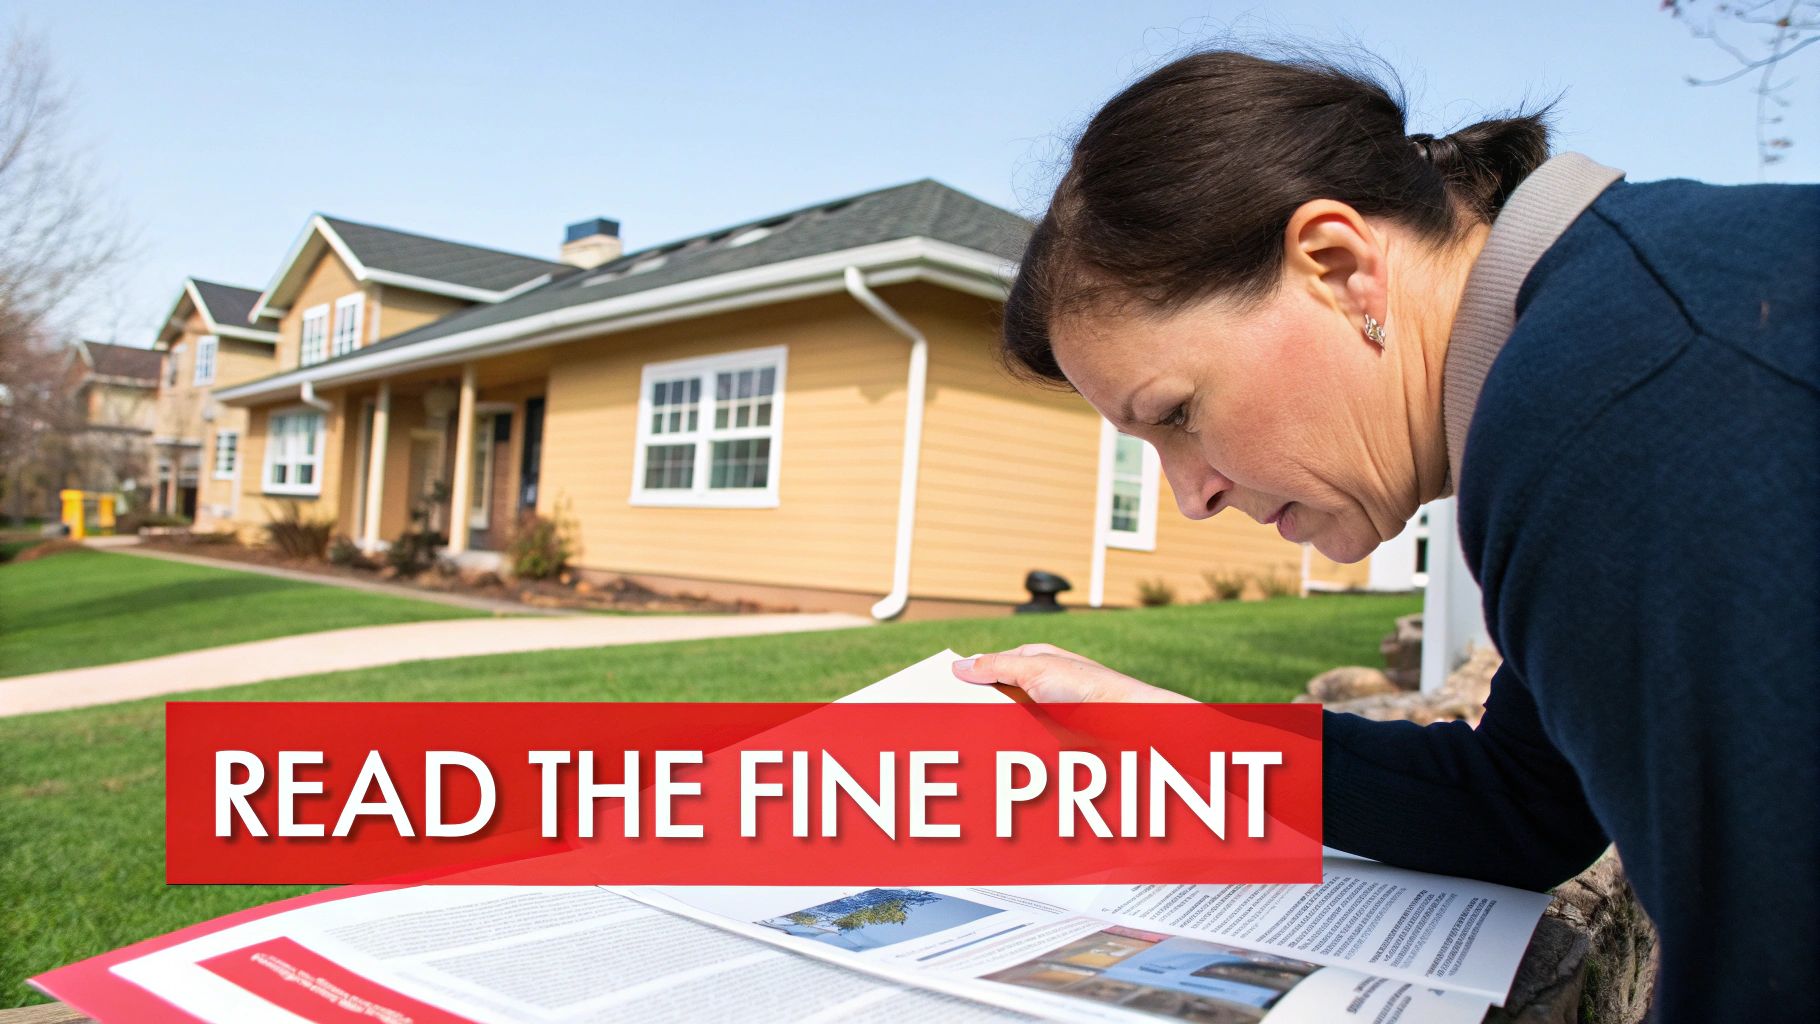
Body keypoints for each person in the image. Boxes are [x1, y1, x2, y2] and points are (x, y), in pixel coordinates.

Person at [952, 49, 1818, 1021]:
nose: (1188, 497)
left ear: (1337, 268)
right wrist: (1161, 727)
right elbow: (1519, 807)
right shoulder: (1591, 346)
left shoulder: (1610, 412)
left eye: (1179, 414)